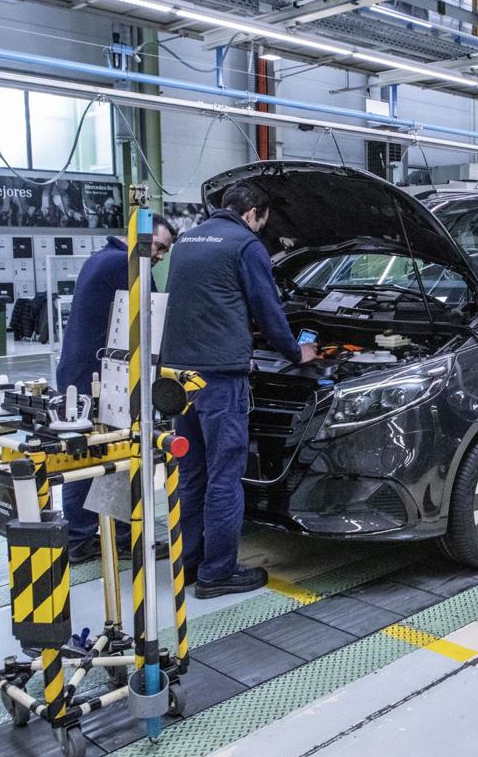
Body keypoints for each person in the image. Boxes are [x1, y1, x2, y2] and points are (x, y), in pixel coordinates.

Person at [160, 180, 318, 598]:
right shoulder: (247, 246)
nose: (260, 230)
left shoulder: (187, 241)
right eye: (261, 224)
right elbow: (268, 310)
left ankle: (190, 562)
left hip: (179, 377)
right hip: (219, 377)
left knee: (191, 473)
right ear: (253, 214)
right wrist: (296, 352)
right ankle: (218, 572)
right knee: (225, 477)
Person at [55, 216, 178, 563]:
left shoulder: (101, 257)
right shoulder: (123, 265)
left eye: (164, 252)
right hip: (95, 379)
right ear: (140, 238)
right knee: (115, 453)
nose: (158, 256)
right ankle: (115, 538)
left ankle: (85, 538)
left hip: (80, 373)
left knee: (87, 453)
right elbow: (155, 318)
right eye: (157, 247)